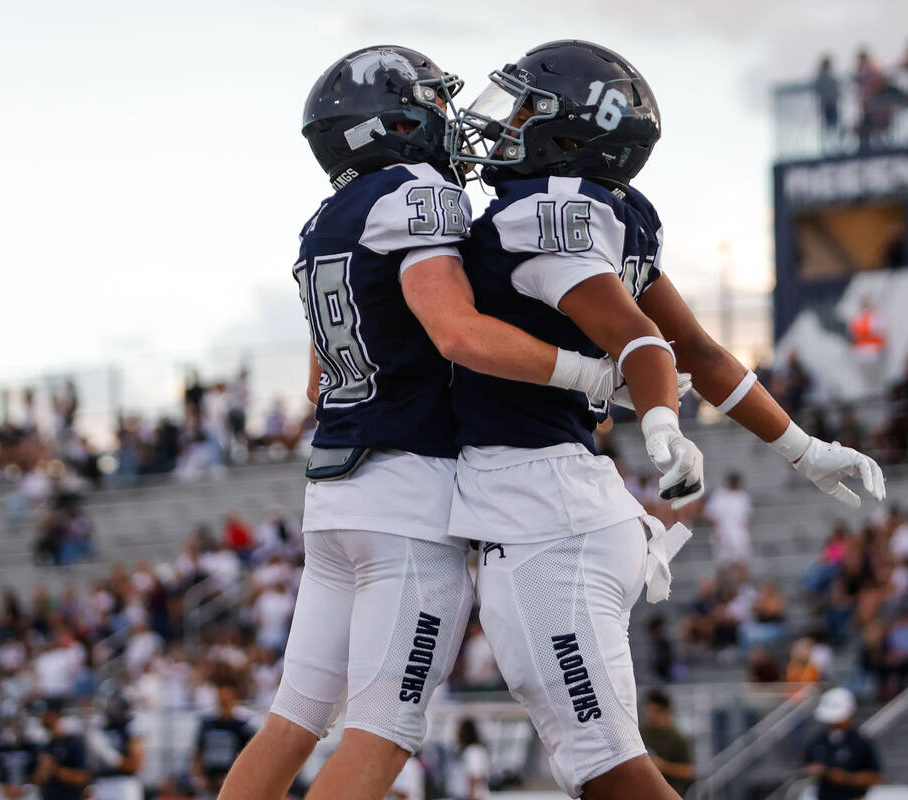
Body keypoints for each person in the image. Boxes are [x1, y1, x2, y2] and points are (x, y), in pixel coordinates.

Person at [449, 39, 884, 800]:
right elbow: (706, 354)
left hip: (544, 516)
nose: (504, 121)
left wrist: (659, 424)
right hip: (558, 507)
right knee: (597, 770)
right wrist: (802, 448)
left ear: (575, 133)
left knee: (608, 773)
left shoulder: (547, 211)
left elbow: (650, 344)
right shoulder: (596, 213)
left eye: (527, 107)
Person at [218, 45, 627, 800]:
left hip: (336, 491)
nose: (448, 118)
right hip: (407, 497)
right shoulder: (417, 189)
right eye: (432, 103)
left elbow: (318, 379)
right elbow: (458, 334)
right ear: (394, 121)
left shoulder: (323, 221)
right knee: (384, 729)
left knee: (293, 719)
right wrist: (587, 372)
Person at [803, 688, 882, 800]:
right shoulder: (820, 740)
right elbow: (805, 763)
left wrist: (847, 778)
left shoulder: (860, 741)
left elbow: (876, 776)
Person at [194, 679, 256, 798]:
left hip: (234, 783)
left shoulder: (243, 726)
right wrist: (199, 777)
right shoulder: (207, 724)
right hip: (210, 784)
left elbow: (250, 756)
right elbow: (198, 753)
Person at [87, 689, 145, 800]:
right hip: (101, 784)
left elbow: (134, 765)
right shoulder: (100, 728)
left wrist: (109, 754)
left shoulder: (130, 728)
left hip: (124, 785)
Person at [33, 698, 92, 800]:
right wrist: (42, 771)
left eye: (45, 714)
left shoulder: (73, 743)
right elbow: (36, 782)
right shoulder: (45, 746)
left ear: (54, 715)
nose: (41, 718)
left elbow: (83, 778)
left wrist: (54, 769)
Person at [640, 691, 695, 797]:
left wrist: (662, 766)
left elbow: (688, 771)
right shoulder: (641, 733)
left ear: (665, 712)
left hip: (670, 792)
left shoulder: (678, 738)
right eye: (648, 711)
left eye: (654, 712)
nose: (649, 716)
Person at [703, 473, 753, 567]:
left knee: (741, 562)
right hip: (722, 533)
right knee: (723, 564)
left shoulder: (743, 496)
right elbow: (708, 514)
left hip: (739, 535)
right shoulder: (719, 495)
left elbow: (746, 518)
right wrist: (716, 529)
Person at [445, 719, 488, 800]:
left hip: (469, 796)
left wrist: (472, 796)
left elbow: (475, 775)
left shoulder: (473, 751)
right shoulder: (466, 750)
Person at [814, 56, 840, 147]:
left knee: (834, 125)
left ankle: (835, 144)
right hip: (827, 104)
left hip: (832, 103)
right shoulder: (822, 77)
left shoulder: (829, 77)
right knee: (828, 125)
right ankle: (828, 145)